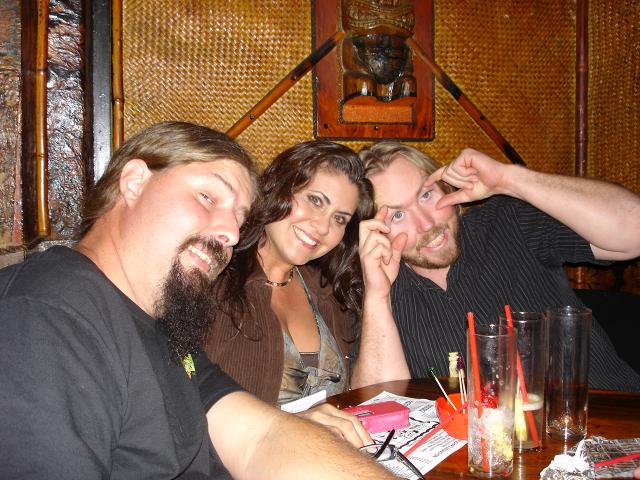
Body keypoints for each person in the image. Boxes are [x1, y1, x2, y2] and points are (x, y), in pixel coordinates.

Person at [0, 122, 398, 479]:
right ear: (135, 182)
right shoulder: (43, 316)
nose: (230, 233)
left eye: (239, 218)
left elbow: (260, 438)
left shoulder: (165, 326)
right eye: (208, 197)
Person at [357, 141, 640, 392]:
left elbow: (634, 229)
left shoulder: (509, 222)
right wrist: (378, 297)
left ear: (446, 186)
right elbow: (378, 408)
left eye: (426, 195)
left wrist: (508, 179)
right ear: (376, 231)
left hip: (615, 422)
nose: (426, 224)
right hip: (484, 437)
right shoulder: (381, 296)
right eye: (397, 215)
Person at [204, 140, 408, 408]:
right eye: (315, 200)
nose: (323, 227)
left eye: (339, 219)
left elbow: (383, 399)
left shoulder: (330, 294)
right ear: (278, 187)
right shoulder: (211, 280)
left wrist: (377, 294)